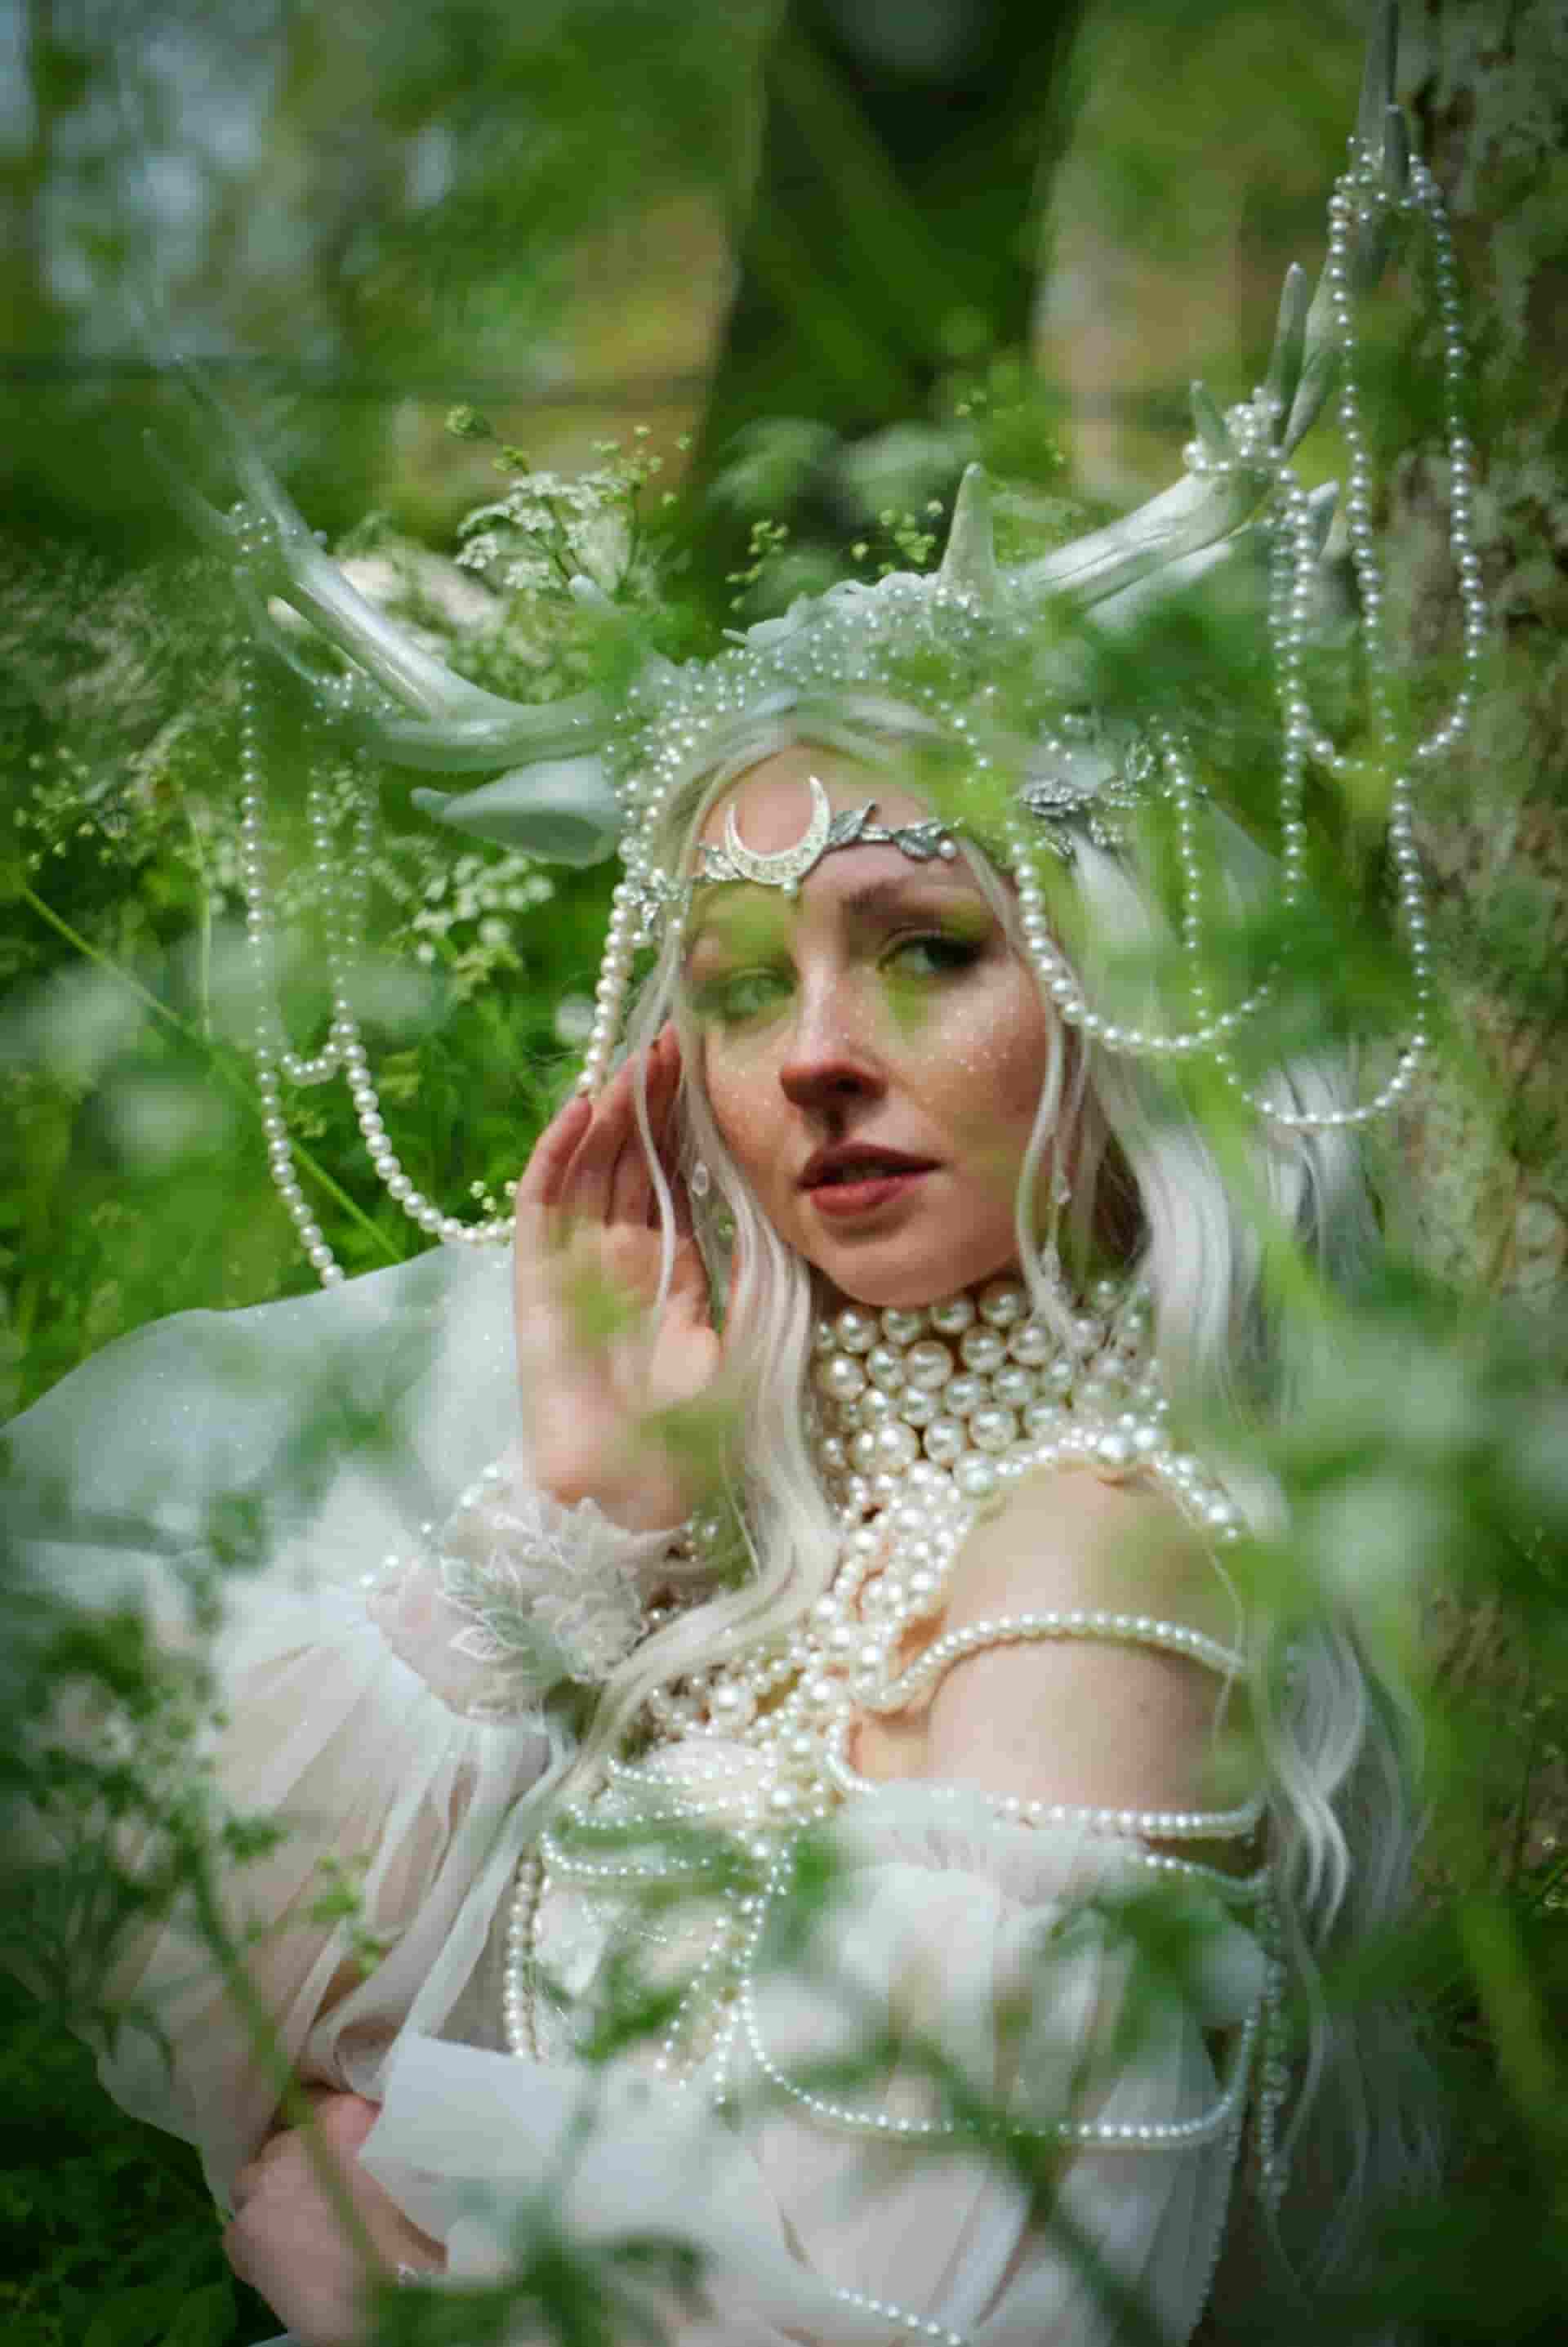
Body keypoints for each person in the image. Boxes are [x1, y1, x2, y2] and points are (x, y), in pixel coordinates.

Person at [7, 11, 1479, 2340]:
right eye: (733, 977)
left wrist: (337, 2246)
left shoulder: (1097, 1569)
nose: (811, 1058)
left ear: (1104, 981)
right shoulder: (716, 1514)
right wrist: (579, 1518)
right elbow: (188, 1971)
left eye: (925, 950)